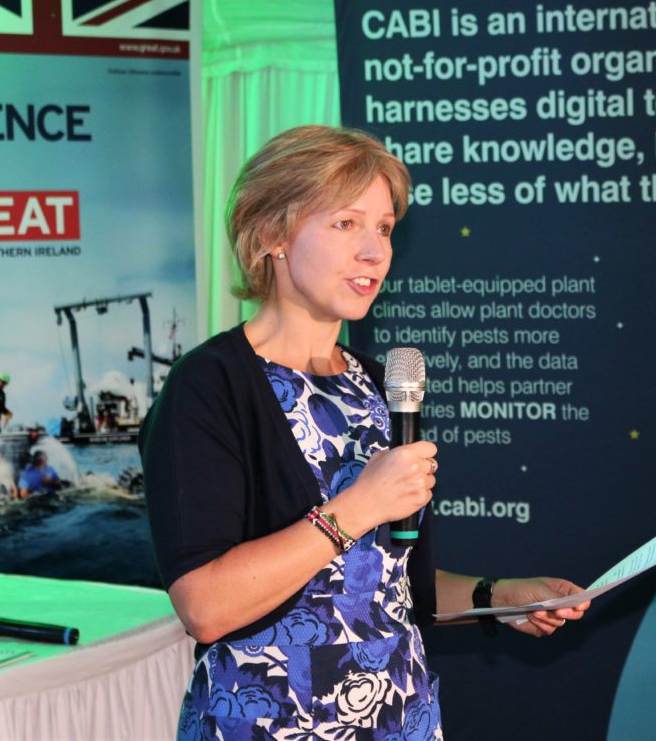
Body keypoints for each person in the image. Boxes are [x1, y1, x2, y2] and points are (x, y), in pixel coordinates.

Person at [140, 125, 590, 740]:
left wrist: (498, 596)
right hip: (271, 722)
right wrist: (358, 506)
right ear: (271, 234)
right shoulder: (210, 386)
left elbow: (386, 584)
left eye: (383, 228)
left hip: (399, 716)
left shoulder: (380, 383)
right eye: (345, 224)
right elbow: (206, 607)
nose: (374, 252)